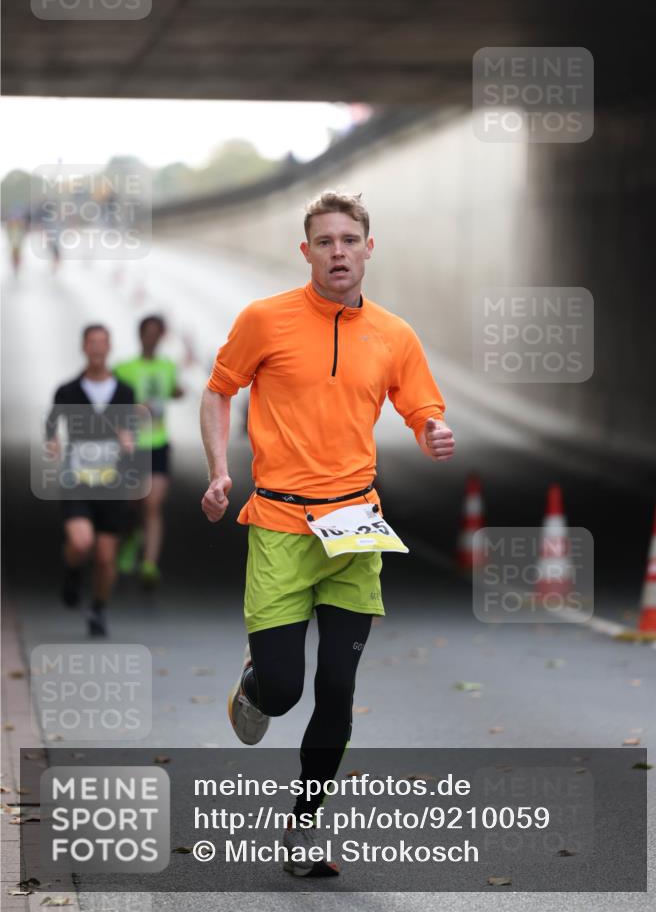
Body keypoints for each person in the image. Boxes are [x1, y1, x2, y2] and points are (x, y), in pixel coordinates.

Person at [200, 190, 455, 878]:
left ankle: (304, 828)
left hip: (353, 526)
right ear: (305, 250)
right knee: (286, 689)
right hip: (280, 523)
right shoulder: (265, 320)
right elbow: (219, 389)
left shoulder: (394, 334)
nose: (337, 251)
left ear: (368, 248)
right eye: (324, 240)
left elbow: (420, 403)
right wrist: (221, 471)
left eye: (349, 239)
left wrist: (431, 428)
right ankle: (255, 686)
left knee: (336, 688)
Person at [46, 325, 137, 637]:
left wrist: (128, 441)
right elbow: (51, 425)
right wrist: (53, 443)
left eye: (102, 342)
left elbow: (132, 431)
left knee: (105, 556)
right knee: (81, 541)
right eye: (92, 342)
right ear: (84, 347)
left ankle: (98, 607)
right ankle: (72, 572)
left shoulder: (124, 392)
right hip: (77, 479)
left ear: (109, 347)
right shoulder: (67, 390)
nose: (97, 348)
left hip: (112, 483)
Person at [114, 315, 183, 586]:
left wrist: (177, 392)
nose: (151, 337)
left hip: (159, 443)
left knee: (153, 505)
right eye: (147, 332)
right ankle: (131, 539)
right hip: (132, 446)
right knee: (134, 504)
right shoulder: (124, 368)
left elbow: (174, 390)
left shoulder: (168, 366)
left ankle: (149, 565)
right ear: (140, 335)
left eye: (157, 333)